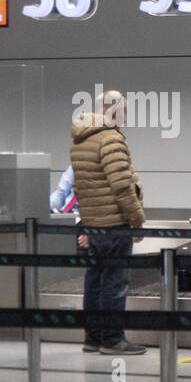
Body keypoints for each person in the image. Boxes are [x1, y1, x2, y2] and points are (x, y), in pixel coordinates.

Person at [70, 89, 146, 355]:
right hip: (114, 222)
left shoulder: (81, 139)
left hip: (92, 222)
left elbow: (82, 185)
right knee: (114, 280)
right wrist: (136, 219)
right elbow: (122, 186)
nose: (125, 117)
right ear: (114, 111)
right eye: (124, 111)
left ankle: (93, 337)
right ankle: (113, 339)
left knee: (95, 279)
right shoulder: (111, 139)